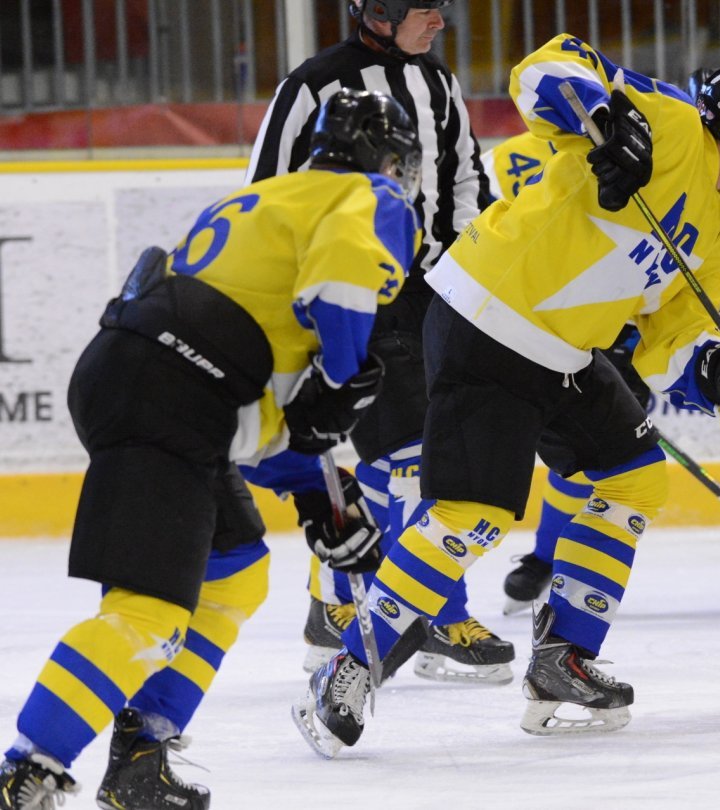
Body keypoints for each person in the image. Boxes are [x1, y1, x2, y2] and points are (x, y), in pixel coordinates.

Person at [292, 35, 720, 756]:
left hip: (564, 353)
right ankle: (346, 669)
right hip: (489, 314)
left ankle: (560, 660)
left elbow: (671, 342)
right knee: (472, 515)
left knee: (632, 477)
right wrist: (604, 116)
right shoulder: (667, 120)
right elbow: (548, 66)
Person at [0, 88, 421, 809]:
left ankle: (141, 759)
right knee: (149, 612)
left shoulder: (264, 201)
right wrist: (342, 379)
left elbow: (237, 414)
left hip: (151, 382)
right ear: (388, 159)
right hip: (171, 394)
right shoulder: (367, 197)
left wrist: (320, 495)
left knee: (232, 572)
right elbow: (344, 280)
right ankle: (27, 771)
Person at [489, 68, 720, 616]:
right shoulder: (539, 151)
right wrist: (617, 339)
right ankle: (547, 555)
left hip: (699, 309)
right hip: (601, 304)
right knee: (589, 435)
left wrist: (693, 355)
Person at [246, 0, 511, 683]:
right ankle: (437, 615)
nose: (442, 23)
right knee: (413, 454)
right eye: (428, 10)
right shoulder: (314, 84)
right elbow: (266, 192)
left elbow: (464, 182)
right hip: (350, 286)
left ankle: (332, 603)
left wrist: (473, 270)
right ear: (384, 11)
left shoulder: (439, 82)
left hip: (431, 290)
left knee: (415, 450)